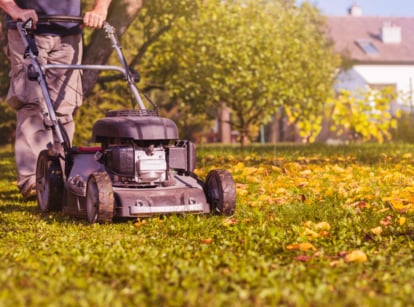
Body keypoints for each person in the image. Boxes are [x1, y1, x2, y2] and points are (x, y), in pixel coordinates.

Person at [0, 0, 112, 198]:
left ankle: (60, 176)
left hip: (69, 32)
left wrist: (100, 9)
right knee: (32, 103)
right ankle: (34, 180)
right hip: (27, 29)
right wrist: (15, 10)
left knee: (64, 108)